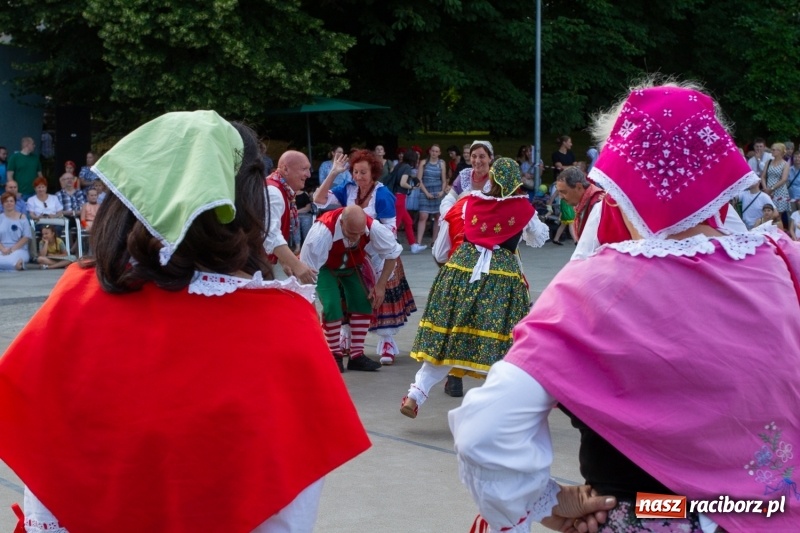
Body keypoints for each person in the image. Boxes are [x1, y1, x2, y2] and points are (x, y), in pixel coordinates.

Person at [450, 79, 799, 533]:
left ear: (622, 180)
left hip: (649, 514)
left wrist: (547, 503)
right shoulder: (783, 263)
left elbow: (487, 431)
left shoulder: (592, 289)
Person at [0, 110, 370, 533]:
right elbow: (286, 515)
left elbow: (44, 496)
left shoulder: (76, 298)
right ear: (244, 203)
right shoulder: (282, 324)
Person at [401, 158, 549, 419]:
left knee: (448, 335)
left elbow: (448, 236)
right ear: (515, 182)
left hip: (460, 272)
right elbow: (538, 238)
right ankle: (498, 409)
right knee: (498, 344)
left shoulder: (470, 201)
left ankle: (415, 395)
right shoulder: (523, 207)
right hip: (500, 282)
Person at [314, 149, 416, 365]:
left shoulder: (382, 194)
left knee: (381, 296)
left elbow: (391, 228)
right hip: (352, 253)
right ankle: (346, 338)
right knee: (348, 296)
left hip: (379, 252)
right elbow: (319, 199)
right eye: (355, 172)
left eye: (363, 173)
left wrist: (366, 234)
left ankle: (387, 342)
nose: (358, 177)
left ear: (374, 173)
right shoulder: (348, 189)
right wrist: (333, 173)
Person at [300, 205, 402, 372]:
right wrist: (310, 304)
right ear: (342, 223)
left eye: (359, 234)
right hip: (324, 268)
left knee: (364, 300)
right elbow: (306, 271)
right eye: (351, 233)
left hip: (353, 265)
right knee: (332, 305)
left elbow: (392, 253)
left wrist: (380, 286)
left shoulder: (372, 226)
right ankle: (335, 355)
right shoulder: (321, 233)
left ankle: (356, 355)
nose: (356, 238)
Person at [264, 150, 316, 284]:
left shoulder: (278, 188)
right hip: (252, 264)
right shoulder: (274, 192)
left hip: (258, 262)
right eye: (304, 169)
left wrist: (284, 261)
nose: (308, 174)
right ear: (285, 169)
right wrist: (297, 266)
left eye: (309, 170)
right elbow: (269, 234)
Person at [415, 144, 447, 248]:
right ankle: (418, 242)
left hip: (437, 191)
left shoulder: (441, 164)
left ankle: (434, 241)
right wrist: (426, 193)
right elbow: (419, 179)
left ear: (439, 153)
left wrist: (442, 191)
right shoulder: (424, 163)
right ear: (430, 152)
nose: (434, 153)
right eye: (433, 151)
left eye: (436, 151)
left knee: (438, 216)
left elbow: (443, 179)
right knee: (423, 216)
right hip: (425, 190)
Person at [760, 142, 790, 228]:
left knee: (777, 216)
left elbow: (784, 179)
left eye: (773, 150)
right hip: (768, 191)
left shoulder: (785, 164)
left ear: (780, 151)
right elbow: (763, 176)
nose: (771, 152)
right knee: (767, 213)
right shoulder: (768, 162)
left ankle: (780, 234)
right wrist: (765, 188)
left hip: (780, 191)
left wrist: (772, 188)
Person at [0, 191, 31, 270]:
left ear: (15, 203)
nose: (9, 203)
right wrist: (3, 249)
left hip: (19, 249)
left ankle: (16, 264)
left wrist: (12, 249)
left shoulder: (22, 217)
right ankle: (15, 266)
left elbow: (26, 237)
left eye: (11, 201)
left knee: (11, 260)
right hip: (2, 249)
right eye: (6, 201)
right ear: (2, 203)